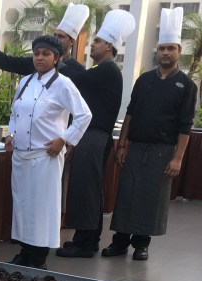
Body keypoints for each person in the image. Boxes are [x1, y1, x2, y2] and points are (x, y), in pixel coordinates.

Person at [103, 8, 197, 261]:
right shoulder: (144, 80)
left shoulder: (186, 85)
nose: (166, 53)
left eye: (171, 48)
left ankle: (141, 244)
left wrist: (178, 158)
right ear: (157, 50)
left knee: (151, 197)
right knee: (127, 194)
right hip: (136, 147)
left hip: (163, 150)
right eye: (162, 48)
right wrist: (122, 144)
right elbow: (130, 114)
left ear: (179, 51)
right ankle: (119, 242)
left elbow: (185, 125)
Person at [5, 35, 91, 269]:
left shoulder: (63, 84)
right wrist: (11, 134)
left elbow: (84, 115)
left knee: (41, 208)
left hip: (45, 156)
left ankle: (38, 257)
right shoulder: (25, 82)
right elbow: (15, 113)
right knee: (22, 205)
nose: (40, 58)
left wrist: (64, 139)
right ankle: (25, 251)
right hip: (21, 156)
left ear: (56, 58)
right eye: (36, 54)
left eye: (46, 54)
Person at [56, 9, 136, 258]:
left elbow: (76, 78)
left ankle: (85, 243)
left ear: (109, 46)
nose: (93, 44)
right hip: (91, 137)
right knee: (87, 188)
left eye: (98, 41)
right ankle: (86, 239)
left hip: (95, 137)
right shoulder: (104, 70)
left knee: (87, 190)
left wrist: (61, 58)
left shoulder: (107, 70)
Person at [0, 4, 89, 77]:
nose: (56, 39)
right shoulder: (37, 62)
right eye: (55, 35)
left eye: (60, 36)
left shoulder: (78, 72)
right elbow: (6, 62)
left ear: (71, 42)